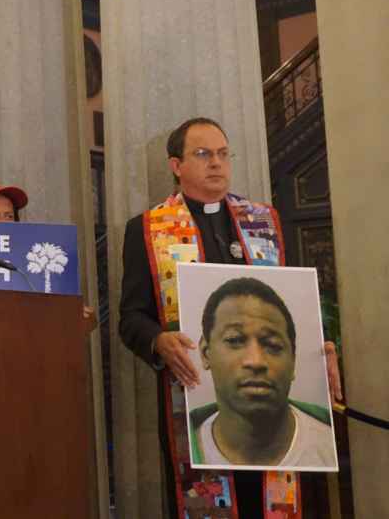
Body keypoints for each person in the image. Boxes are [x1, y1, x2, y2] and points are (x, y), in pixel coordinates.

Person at [118, 116, 342, 518]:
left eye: (223, 154)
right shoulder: (148, 229)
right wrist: (157, 340)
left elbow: (300, 302)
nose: (216, 163)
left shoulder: (265, 222)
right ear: (176, 165)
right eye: (203, 154)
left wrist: (321, 346)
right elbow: (131, 316)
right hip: (196, 391)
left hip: (272, 398)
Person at [190, 277, 334, 468]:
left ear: (293, 360)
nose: (256, 361)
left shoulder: (329, 446)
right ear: (205, 353)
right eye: (234, 340)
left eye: (273, 345)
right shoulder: (183, 448)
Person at [0, 183, 96, 329]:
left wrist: (83, 321)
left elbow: (61, 325)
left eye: (9, 216)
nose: (3, 222)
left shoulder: (33, 263)